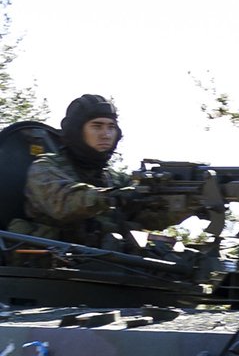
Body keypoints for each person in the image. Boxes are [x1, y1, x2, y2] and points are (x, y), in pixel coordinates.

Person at [10, 94, 197, 251]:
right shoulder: (46, 167)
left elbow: (150, 218)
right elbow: (64, 203)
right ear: (77, 131)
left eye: (111, 127)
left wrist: (191, 203)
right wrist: (112, 197)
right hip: (52, 267)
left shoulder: (114, 179)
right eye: (97, 126)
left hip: (105, 266)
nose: (106, 134)